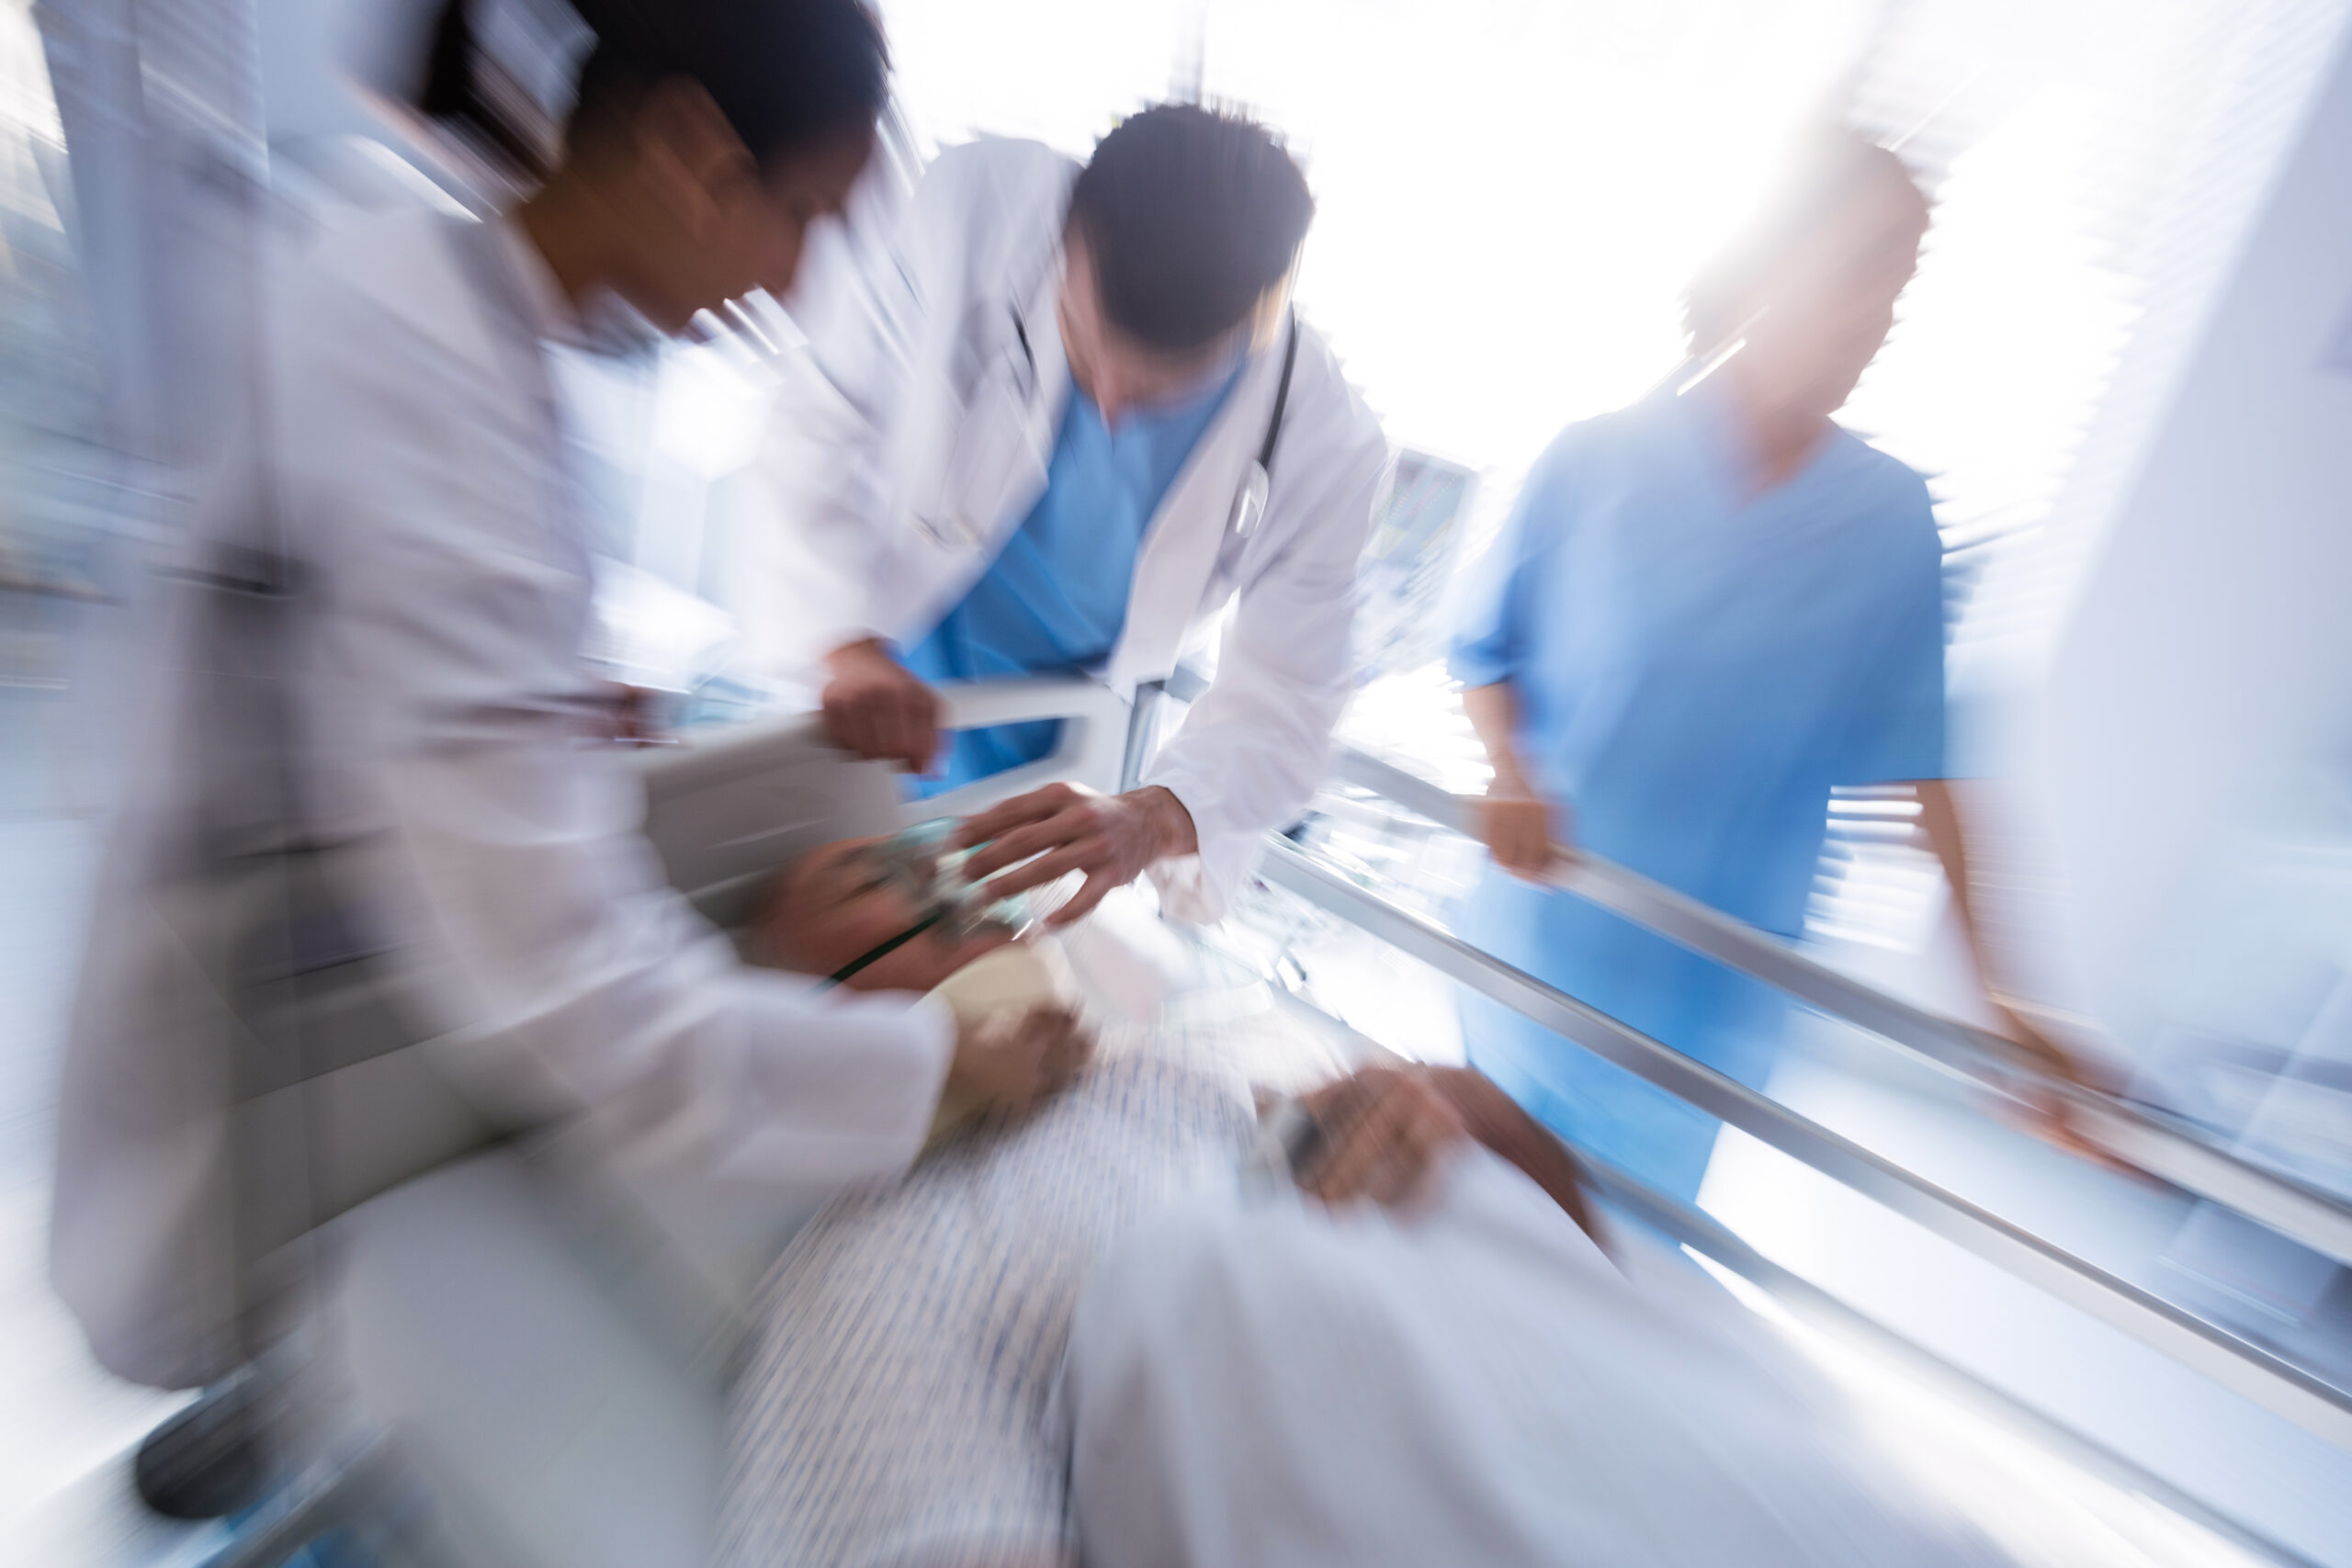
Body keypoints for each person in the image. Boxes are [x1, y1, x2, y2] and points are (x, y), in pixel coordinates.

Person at [49, 0, 1081, 1404]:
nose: (794, 280)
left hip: (317, 963)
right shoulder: (415, 353)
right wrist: (937, 1061)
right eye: (800, 218)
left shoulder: (453, 304)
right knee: (231, 1354)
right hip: (252, 1030)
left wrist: (541, 705)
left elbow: (373, 628)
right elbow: (574, 989)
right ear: (684, 149)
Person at [1448, 126, 2080, 1202]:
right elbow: (1484, 649)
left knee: (1607, 1284)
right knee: (1459, 1237)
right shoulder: (1596, 459)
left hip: (1701, 1022)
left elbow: (1925, 774)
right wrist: (1513, 771)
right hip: (1534, 957)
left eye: (1899, 285)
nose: (1877, 317)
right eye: (1859, 269)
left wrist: (2002, 997)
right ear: (1772, 262)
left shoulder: (1890, 526)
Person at [720, 826, 1591, 1568]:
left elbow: (1569, 1247)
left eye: (917, 856)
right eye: (869, 881)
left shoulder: (1165, 1071)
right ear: (805, 1021)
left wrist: (1457, 1107)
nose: (942, 880)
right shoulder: (863, 1271)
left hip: (1578, 1420)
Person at [758, 102, 1391, 930]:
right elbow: (822, 420)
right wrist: (843, 642)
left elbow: (1290, 698)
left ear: (1261, 315)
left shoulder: (1326, 446)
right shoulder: (975, 213)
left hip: (1044, 747)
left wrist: (1155, 817)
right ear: (1067, 236)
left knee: (968, 968)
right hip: (867, 668)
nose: (1118, 407)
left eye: (1166, 385)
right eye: (1089, 350)